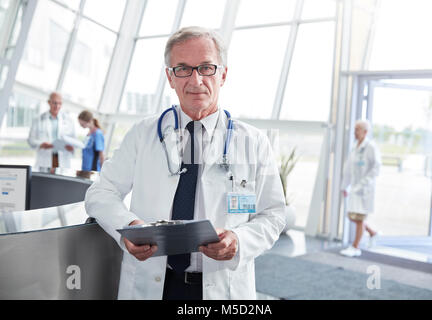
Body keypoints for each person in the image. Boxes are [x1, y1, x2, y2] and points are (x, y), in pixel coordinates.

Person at [84, 26, 286, 300]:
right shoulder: (143, 134)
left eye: (206, 68)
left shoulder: (253, 142)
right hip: (152, 282)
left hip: (222, 285)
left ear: (223, 74)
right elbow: (100, 192)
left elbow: (273, 215)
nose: (196, 80)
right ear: (170, 77)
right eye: (183, 69)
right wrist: (129, 226)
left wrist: (239, 241)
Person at [340, 120, 381, 257]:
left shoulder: (370, 147)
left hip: (364, 190)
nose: (354, 132)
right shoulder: (355, 146)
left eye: (357, 129)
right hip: (354, 189)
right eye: (354, 129)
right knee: (353, 216)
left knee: (360, 218)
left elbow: (376, 168)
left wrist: (364, 183)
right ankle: (372, 233)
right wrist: (344, 186)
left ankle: (355, 247)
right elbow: (348, 168)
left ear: (365, 132)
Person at [27, 92, 76, 169]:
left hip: (63, 158)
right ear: (49, 103)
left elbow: (73, 140)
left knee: (61, 180)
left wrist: (71, 147)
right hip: (45, 158)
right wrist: (42, 144)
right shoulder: (38, 120)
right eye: (54, 103)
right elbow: (31, 140)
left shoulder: (69, 121)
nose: (57, 106)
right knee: (45, 180)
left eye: (60, 103)